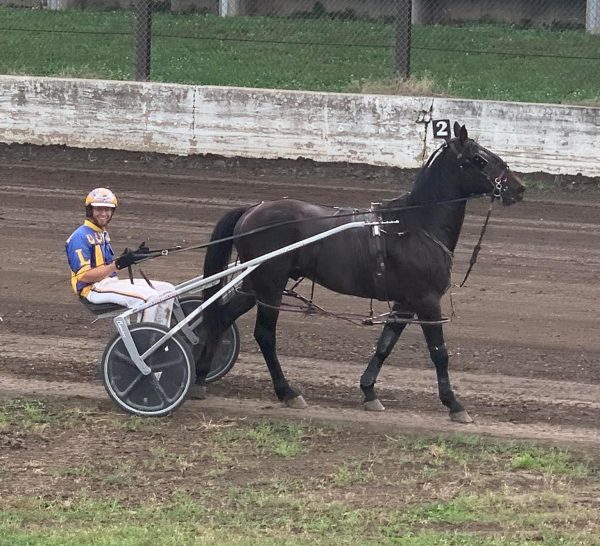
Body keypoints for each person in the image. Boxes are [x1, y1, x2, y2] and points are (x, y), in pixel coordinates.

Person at [65, 187, 175, 325]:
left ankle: (161, 334)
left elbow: (109, 267)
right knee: (150, 298)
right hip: (92, 289)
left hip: (109, 283)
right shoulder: (79, 237)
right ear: (90, 210)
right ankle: (146, 341)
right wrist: (117, 264)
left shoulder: (101, 233)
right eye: (99, 209)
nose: (104, 213)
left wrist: (131, 258)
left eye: (107, 209)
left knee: (168, 290)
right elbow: (85, 276)